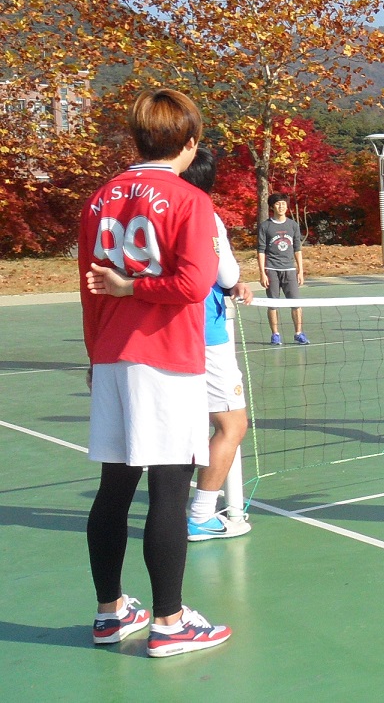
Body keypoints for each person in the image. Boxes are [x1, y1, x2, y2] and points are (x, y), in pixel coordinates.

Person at [79, 88, 232, 657]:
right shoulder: (191, 201)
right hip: (165, 360)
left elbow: (87, 289)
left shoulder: (100, 199)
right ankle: (169, 622)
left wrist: (96, 354)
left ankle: (110, 612)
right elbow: (195, 284)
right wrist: (136, 285)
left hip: (114, 356)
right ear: (188, 143)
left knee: (114, 488)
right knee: (169, 489)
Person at [182, 149, 254, 541]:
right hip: (204, 333)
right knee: (231, 423)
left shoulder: (150, 210)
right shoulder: (202, 214)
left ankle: (179, 510)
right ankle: (200, 515)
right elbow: (225, 269)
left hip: (162, 334)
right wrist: (232, 280)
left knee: (178, 426)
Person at [257, 192, 307, 345]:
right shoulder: (265, 226)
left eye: (283, 204)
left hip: (290, 270)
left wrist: (300, 271)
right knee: (273, 303)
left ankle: (298, 333)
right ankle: (275, 334)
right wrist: (262, 273)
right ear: (272, 207)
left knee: (296, 303)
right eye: (278, 204)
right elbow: (260, 250)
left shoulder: (293, 225)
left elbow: (297, 249)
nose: (281, 206)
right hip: (271, 269)